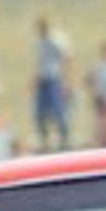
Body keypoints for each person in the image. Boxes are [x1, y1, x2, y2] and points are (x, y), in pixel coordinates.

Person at [32, 15, 73, 151]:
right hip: (43, 79)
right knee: (40, 113)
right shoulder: (40, 42)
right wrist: (35, 79)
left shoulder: (56, 39)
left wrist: (67, 80)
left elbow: (67, 58)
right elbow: (40, 62)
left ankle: (64, 140)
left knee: (58, 111)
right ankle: (45, 141)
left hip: (55, 79)